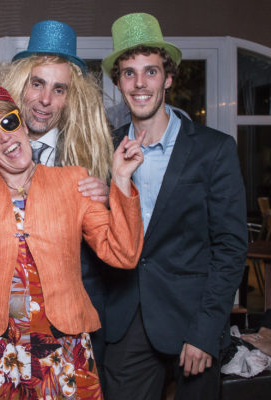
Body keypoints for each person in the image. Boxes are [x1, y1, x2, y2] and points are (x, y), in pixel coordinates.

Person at [0, 86, 145, 399]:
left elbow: (123, 254)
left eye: (8, 123)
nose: (3, 138)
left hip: (62, 343)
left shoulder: (72, 180)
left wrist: (121, 181)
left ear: (23, 124)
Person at [100, 13, 248, 400]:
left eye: (151, 72)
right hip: (125, 320)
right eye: (129, 73)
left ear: (168, 78)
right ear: (118, 83)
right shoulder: (105, 150)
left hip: (192, 321)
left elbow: (230, 248)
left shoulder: (213, 150)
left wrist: (206, 330)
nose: (140, 83)